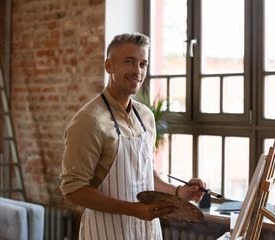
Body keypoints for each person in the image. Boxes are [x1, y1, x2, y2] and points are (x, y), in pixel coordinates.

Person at [60, 32, 206, 240]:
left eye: (143, 64)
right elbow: (73, 190)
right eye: (129, 62)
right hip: (106, 233)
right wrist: (133, 210)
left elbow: (146, 176)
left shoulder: (145, 116)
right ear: (109, 66)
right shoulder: (88, 120)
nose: (137, 71)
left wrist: (180, 193)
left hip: (147, 233)